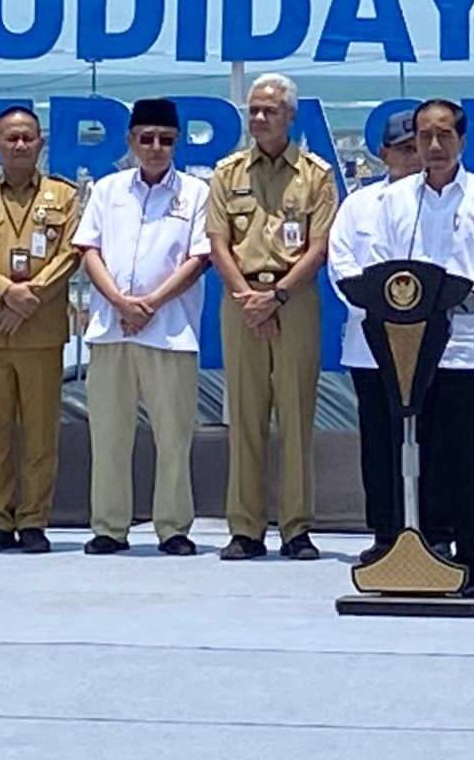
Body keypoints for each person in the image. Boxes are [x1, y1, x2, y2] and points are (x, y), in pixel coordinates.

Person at [369, 99, 474, 600]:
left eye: (444, 136)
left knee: (459, 459)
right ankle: (417, 550)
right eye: (424, 137)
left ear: (461, 140)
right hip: (407, 346)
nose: (433, 147)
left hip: (462, 347)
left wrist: (470, 294)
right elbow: (378, 264)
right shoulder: (395, 200)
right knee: (412, 452)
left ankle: (466, 561)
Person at [207, 73, 339, 562]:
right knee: (243, 416)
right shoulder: (228, 172)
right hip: (240, 298)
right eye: (254, 110)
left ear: (291, 116)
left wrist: (277, 297)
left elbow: (319, 246)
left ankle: (296, 528)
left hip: (294, 300)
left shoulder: (316, 175)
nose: (260, 118)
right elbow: (217, 242)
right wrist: (248, 297)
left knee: (296, 414)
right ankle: (245, 528)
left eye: (270, 111)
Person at [74, 98, 211, 557]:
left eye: (166, 140)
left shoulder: (196, 193)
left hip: (170, 329)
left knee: (173, 436)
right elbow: (88, 249)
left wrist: (150, 303)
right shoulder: (107, 189)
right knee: (109, 434)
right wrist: (119, 302)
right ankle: (110, 526)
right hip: (112, 328)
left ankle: (172, 527)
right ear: (131, 140)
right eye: (147, 139)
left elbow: (199, 258)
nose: (156, 148)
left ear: (176, 143)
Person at [0, 106, 81, 555]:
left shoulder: (64, 198)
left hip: (42, 333)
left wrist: (32, 297)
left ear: (41, 143)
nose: (20, 145)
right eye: (12, 138)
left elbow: (71, 253)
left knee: (41, 432)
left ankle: (33, 520)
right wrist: (8, 292)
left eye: (28, 137)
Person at [326, 109, 422, 566]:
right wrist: (384, 310)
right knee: (379, 444)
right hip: (371, 344)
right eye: (403, 149)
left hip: (431, 347)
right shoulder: (359, 205)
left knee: (429, 442)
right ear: (384, 153)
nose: (413, 157)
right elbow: (341, 266)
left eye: (418, 147)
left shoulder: (439, 201)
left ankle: (430, 531)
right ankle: (385, 532)